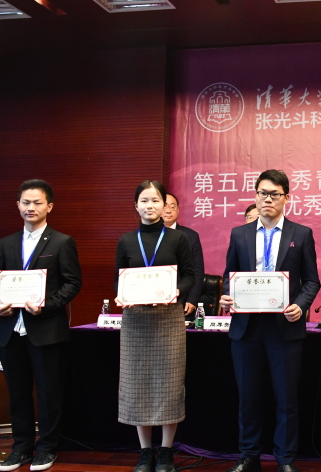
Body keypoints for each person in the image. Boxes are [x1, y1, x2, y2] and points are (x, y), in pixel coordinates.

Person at [220, 169, 320, 472]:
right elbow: (229, 277)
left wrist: (300, 305)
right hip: (246, 328)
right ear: (255, 196)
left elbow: (311, 281)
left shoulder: (301, 234)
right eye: (262, 193)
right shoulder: (239, 234)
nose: (267, 199)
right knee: (248, 397)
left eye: (274, 194)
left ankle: (285, 458)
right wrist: (227, 296)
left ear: (286, 198)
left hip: (284, 327)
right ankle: (248, 455)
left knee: (286, 398)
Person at [0, 180, 82, 472]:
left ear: (49, 206)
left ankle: (46, 449)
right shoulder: (6, 243)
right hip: (11, 330)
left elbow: (72, 283)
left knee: (48, 393)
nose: (31, 207)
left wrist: (47, 305)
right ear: (18, 205)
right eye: (25, 202)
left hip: (46, 330)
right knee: (17, 394)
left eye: (37, 203)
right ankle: (21, 448)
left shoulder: (61, 242)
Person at [115, 181, 195, 472]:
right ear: (136, 206)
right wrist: (121, 295)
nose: (150, 206)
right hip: (136, 320)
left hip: (168, 318)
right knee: (138, 384)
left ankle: (166, 451)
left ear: (165, 205)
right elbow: (118, 278)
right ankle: (145, 451)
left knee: (169, 385)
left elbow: (190, 275)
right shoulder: (126, 240)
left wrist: (176, 291)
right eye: (144, 201)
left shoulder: (178, 238)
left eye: (156, 200)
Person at [162, 192, 205, 319]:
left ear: (178, 210)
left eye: (172, 206)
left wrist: (192, 299)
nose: (168, 210)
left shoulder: (190, 236)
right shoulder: (147, 236)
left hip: (183, 300)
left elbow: (197, 270)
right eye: (165, 206)